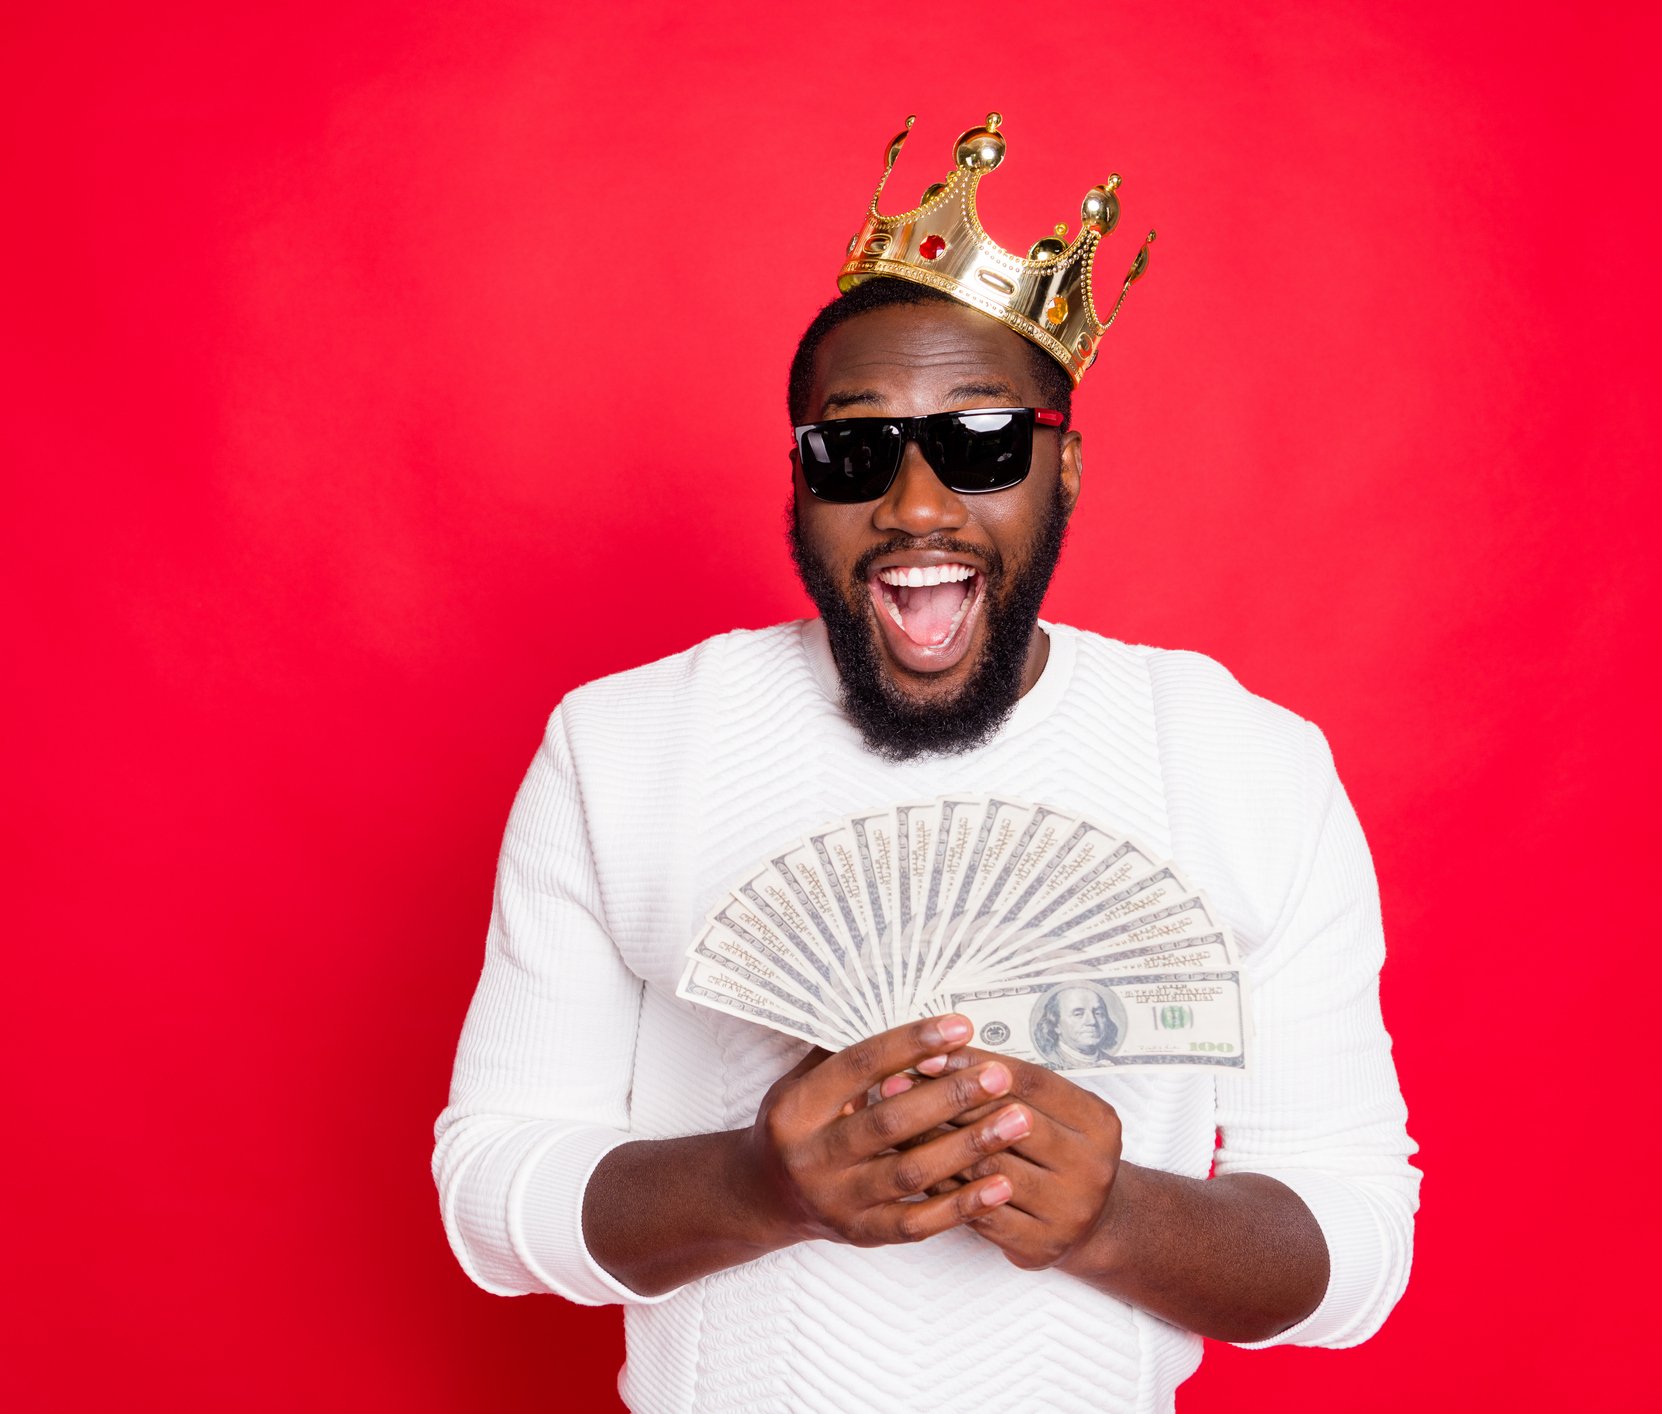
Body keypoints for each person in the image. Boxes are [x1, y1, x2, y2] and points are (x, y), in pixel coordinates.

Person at [434, 114, 1419, 1412]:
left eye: (983, 442)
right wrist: (756, 1184)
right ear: (797, 486)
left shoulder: (1242, 764)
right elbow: (489, 1198)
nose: (913, 504)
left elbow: (1355, 1247)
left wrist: (1111, 1215)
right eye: (853, 450)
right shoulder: (625, 745)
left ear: (1063, 470)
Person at [1033, 983, 1126, 1069]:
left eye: (1098, 1013)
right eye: (1078, 1014)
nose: (1092, 1021)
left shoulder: (1117, 1063)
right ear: (1056, 1024)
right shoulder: (1047, 1062)